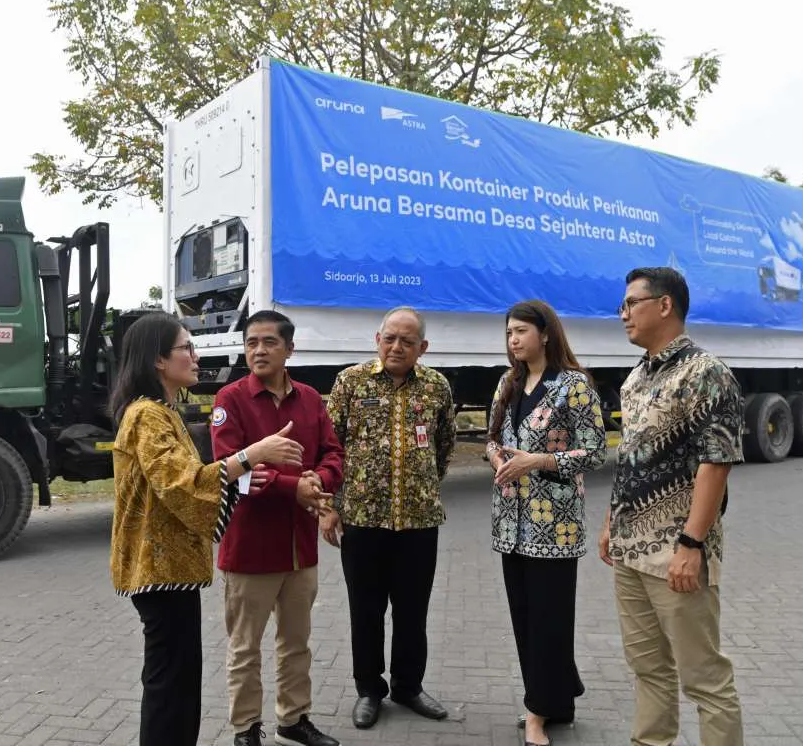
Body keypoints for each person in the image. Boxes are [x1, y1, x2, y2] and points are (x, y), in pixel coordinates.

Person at [107, 312, 305, 746]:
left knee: (176, 684)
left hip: (170, 571)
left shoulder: (162, 412)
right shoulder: (147, 416)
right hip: (159, 572)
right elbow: (181, 484)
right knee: (169, 688)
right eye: (186, 348)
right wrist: (252, 454)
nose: (196, 357)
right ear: (159, 360)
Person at [599, 267, 745, 746]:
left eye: (630, 304)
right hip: (630, 552)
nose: (623, 314)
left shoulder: (707, 373)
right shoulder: (637, 376)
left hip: (676, 554)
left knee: (705, 679)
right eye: (622, 306)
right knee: (647, 668)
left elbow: (716, 464)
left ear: (664, 305)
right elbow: (633, 459)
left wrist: (691, 543)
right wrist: (610, 524)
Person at [210, 310, 345, 746]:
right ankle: (246, 728)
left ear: (290, 348)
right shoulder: (229, 400)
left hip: (300, 549)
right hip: (250, 549)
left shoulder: (309, 399)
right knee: (245, 648)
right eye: (251, 343)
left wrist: (318, 482)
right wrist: (296, 488)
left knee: (296, 643)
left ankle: (293, 718)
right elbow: (235, 473)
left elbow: (333, 455)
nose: (259, 350)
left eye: (269, 342)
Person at [321, 306, 456, 730]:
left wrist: (420, 485)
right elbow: (331, 446)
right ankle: (368, 689)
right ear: (377, 338)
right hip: (362, 520)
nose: (397, 347)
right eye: (390, 338)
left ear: (423, 347)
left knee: (413, 610)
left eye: (407, 341)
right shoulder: (351, 382)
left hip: (419, 520)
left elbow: (443, 446)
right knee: (366, 610)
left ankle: (408, 686)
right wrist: (329, 506)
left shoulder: (436, 387)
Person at [484, 300, 607, 746]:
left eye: (521, 331)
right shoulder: (508, 382)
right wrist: (497, 455)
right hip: (510, 524)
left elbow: (595, 452)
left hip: (554, 525)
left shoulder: (573, 385)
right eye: (509, 333)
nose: (513, 339)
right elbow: (493, 439)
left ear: (546, 334)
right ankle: (558, 698)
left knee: (549, 621)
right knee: (525, 619)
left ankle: (537, 711)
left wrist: (539, 460)